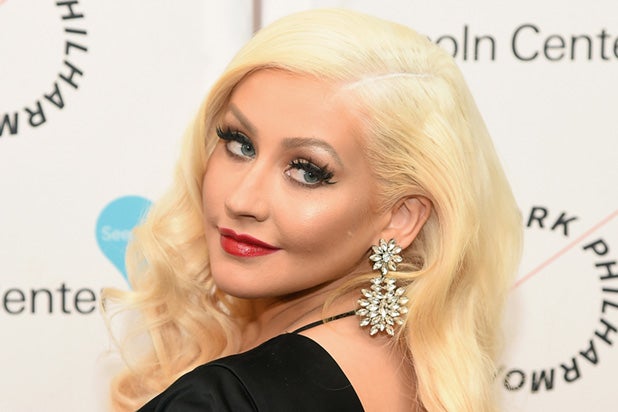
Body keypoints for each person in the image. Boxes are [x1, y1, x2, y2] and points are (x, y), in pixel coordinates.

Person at [103, 8, 522, 412]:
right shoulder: (419, 371)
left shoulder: (225, 399)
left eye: (307, 172)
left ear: (400, 216)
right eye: (239, 144)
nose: (241, 200)